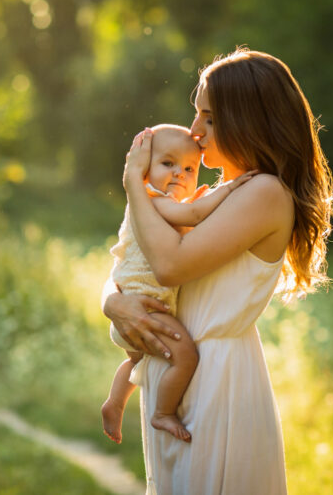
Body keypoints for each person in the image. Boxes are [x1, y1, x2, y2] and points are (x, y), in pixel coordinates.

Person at [102, 47, 333, 494]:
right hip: (176, 366)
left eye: (208, 118)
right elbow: (135, 259)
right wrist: (113, 301)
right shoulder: (213, 193)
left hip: (216, 379)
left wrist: (134, 182)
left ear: (249, 119)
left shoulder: (264, 193)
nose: (195, 131)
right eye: (196, 115)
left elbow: (169, 266)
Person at [101, 124, 255, 445]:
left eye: (189, 168)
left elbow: (190, 213)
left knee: (136, 359)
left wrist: (198, 199)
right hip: (141, 307)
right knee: (186, 357)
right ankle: (163, 413)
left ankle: (114, 403)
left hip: (134, 305)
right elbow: (195, 215)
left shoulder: (162, 204)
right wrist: (227, 189)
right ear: (143, 169)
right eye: (167, 164)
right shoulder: (151, 199)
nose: (179, 174)